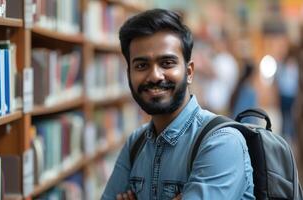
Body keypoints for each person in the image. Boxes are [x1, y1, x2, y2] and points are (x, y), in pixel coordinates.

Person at [101, 9, 254, 200]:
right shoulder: (136, 143)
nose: (155, 75)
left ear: (189, 72)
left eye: (167, 63)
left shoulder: (221, 142)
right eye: (141, 66)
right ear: (129, 74)